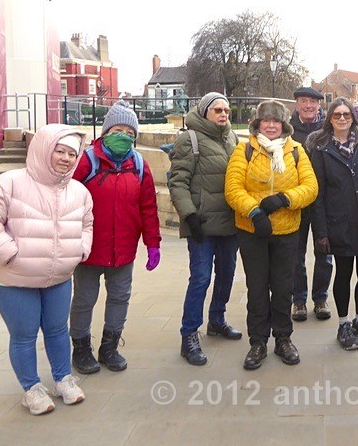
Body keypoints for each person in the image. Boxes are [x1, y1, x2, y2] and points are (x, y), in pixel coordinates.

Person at [0, 124, 92, 415]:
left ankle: (63, 379)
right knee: (24, 335)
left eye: (71, 154)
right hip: (14, 279)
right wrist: (9, 253)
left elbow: (87, 224)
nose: (65, 158)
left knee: (57, 330)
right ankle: (32, 388)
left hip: (59, 278)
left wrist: (80, 250)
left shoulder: (79, 191)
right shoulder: (9, 182)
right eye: (59, 151)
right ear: (43, 150)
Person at [69, 101, 161, 375]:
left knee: (120, 297)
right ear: (107, 130)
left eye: (130, 132)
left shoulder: (140, 165)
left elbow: (148, 206)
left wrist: (153, 243)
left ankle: (109, 347)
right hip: (89, 249)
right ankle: (81, 348)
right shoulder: (87, 160)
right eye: (118, 130)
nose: (124, 136)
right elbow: (67, 198)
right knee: (85, 299)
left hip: (123, 248)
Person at [225, 100, 318, 370]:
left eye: (275, 121)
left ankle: (283, 338)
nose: (270, 125)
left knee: (282, 287)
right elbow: (233, 188)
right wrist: (254, 212)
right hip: (252, 231)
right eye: (265, 120)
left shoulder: (296, 151)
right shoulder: (244, 150)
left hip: (287, 230)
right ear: (257, 124)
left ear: (283, 124)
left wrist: (285, 199)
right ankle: (257, 341)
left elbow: (311, 187)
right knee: (256, 287)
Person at [307, 97, 358, 350]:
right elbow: (316, 194)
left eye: (346, 115)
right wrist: (320, 232)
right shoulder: (320, 149)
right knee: (343, 275)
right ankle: (343, 324)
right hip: (338, 224)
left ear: (353, 118)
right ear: (329, 118)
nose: (342, 119)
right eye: (336, 115)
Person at [169, 92, 241, 366]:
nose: (223, 114)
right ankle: (189, 335)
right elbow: (178, 181)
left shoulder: (232, 139)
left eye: (226, 110)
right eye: (217, 110)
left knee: (227, 274)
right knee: (200, 278)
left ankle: (217, 319)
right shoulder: (190, 139)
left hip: (230, 223)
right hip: (202, 224)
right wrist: (189, 216)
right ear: (204, 112)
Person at [290, 86, 333, 323]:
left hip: (324, 202)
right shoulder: (287, 131)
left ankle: (320, 298)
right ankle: (298, 299)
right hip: (297, 201)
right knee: (295, 254)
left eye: (313, 102)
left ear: (319, 105)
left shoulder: (328, 130)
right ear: (296, 104)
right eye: (303, 101)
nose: (308, 106)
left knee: (324, 251)